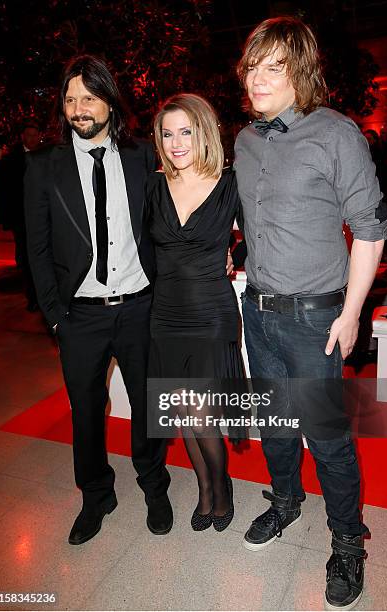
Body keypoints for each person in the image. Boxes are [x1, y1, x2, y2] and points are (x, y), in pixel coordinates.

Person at [234, 16, 387, 610]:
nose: (257, 77)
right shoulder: (245, 141)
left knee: (326, 437)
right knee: (275, 425)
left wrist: (352, 314)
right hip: (260, 311)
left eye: (273, 65)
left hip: (316, 320)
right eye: (252, 65)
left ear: (300, 70)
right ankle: (286, 502)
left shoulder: (336, 134)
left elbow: (372, 228)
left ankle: (348, 541)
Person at [24, 55, 172, 545]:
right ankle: (96, 494)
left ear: (109, 100)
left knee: (149, 404)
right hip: (80, 317)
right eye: (69, 99)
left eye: (88, 97)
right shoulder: (45, 167)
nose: (78, 108)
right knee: (85, 410)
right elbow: (37, 248)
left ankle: (154, 485)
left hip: (138, 308)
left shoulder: (142, 157)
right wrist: (55, 317)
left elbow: (166, 225)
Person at [146, 93, 243, 532]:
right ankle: (204, 488)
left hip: (210, 313)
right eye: (167, 133)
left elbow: (259, 233)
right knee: (183, 410)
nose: (176, 141)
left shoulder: (230, 184)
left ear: (203, 131)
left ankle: (220, 488)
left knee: (202, 413)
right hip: (165, 313)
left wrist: (230, 251)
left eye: (185, 131)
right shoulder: (153, 184)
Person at [0, 120, 41, 310]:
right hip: (22, 218)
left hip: (43, 217)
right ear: (23, 137)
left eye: (34, 135)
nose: (32, 139)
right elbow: (0, 182)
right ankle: (33, 297)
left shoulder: (48, 155)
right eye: (28, 135)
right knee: (27, 258)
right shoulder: (12, 159)